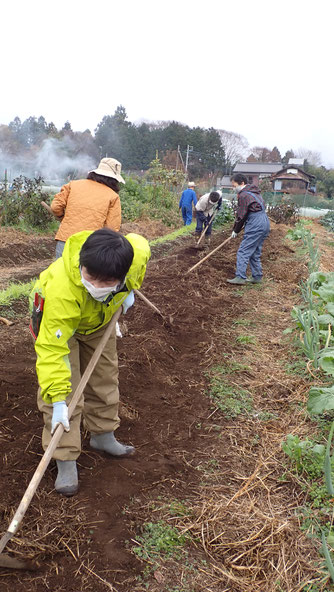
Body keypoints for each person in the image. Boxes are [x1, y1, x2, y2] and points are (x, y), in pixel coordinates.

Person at [30, 228, 151, 496]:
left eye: (106, 281)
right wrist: (58, 399)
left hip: (99, 320)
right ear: (82, 264)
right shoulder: (61, 291)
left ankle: (103, 435)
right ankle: (64, 457)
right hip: (60, 325)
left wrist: (130, 289)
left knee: (104, 375)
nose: (96, 285)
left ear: (122, 276)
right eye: (91, 277)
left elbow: (141, 245)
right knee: (66, 388)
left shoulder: (134, 260)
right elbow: (52, 350)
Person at [51, 158, 124, 258]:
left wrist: (61, 216)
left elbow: (55, 207)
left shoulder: (73, 185)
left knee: (60, 271)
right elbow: (111, 229)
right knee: (84, 273)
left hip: (66, 239)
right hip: (91, 245)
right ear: (114, 180)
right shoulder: (113, 196)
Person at [227, 174, 270, 285]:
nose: (233, 188)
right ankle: (257, 276)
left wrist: (235, 230)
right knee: (255, 251)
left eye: (234, 185)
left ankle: (240, 277)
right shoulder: (255, 193)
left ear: (241, 183)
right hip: (264, 221)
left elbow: (241, 215)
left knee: (243, 251)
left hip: (255, 222)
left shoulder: (244, 195)